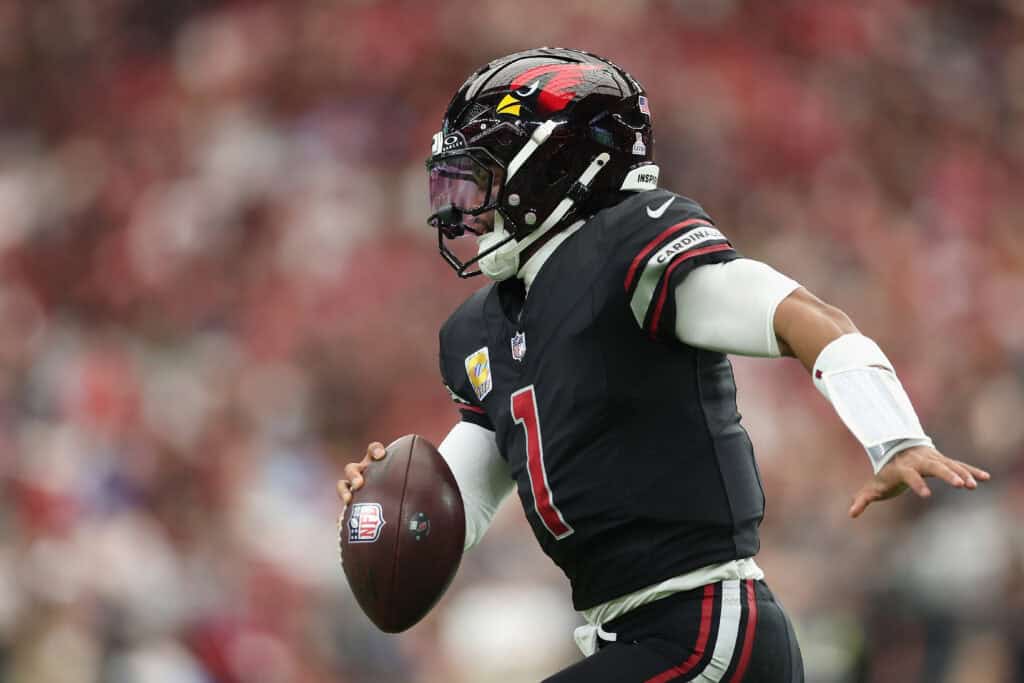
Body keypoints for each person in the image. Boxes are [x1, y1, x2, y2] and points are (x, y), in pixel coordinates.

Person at [336, 48, 990, 682]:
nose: (464, 204)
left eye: (486, 175)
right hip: (634, 636)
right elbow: (461, 499)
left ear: (560, 166)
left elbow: (801, 316)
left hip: (708, 629)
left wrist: (895, 434)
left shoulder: (630, 246)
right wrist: (393, 503)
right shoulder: (477, 331)